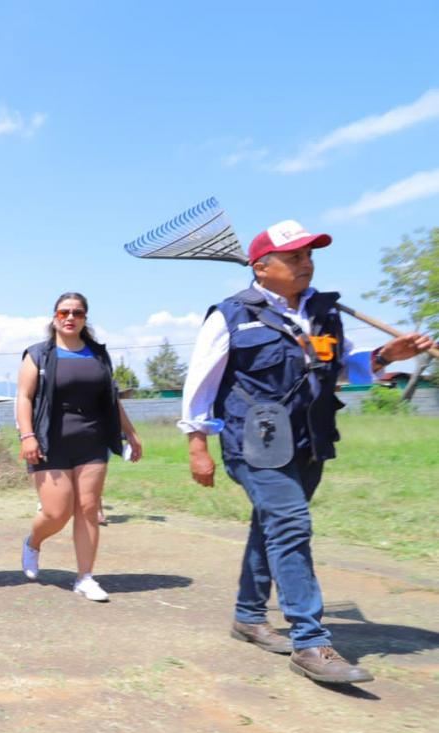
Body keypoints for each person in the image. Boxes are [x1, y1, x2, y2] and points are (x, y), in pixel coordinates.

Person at [180, 219, 433, 684]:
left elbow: (341, 370)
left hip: (309, 440)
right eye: (294, 257)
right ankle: (311, 642)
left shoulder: (323, 312)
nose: (306, 264)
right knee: (291, 524)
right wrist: (198, 445)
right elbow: (201, 383)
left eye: (309, 255)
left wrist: (384, 357)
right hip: (253, 441)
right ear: (261, 267)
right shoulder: (233, 314)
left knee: (272, 525)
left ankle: (248, 616)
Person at [16, 292, 142, 602]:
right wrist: (27, 436)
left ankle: (85, 577)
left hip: (92, 440)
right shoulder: (38, 354)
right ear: (54, 317)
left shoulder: (98, 354)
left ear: (85, 318)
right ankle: (33, 542)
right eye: (64, 312)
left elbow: (111, 399)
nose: (70, 318)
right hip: (49, 440)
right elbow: (24, 397)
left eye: (77, 313)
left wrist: (131, 433)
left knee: (88, 508)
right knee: (57, 512)